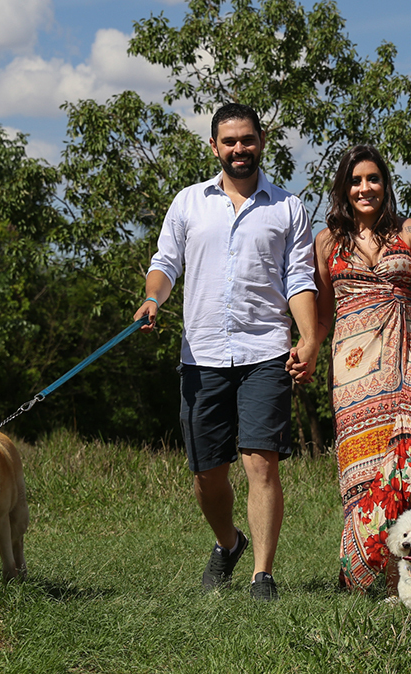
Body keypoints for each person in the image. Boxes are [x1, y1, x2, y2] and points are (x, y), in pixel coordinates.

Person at [134, 103, 318, 601]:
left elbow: (299, 279)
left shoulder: (288, 208)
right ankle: (228, 542)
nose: (240, 149)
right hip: (203, 355)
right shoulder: (188, 203)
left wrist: (309, 339)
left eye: (248, 139)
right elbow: (165, 264)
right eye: (229, 141)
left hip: (265, 352)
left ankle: (263, 575)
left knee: (261, 463)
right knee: (206, 474)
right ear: (214, 147)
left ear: (262, 142)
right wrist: (153, 299)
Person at [290, 144, 411, 591]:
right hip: (353, 370)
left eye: (374, 178)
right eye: (356, 180)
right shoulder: (326, 241)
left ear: (386, 184)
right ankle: (367, 576)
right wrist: (308, 348)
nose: (365, 188)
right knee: (365, 468)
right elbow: (323, 313)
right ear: (344, 188)